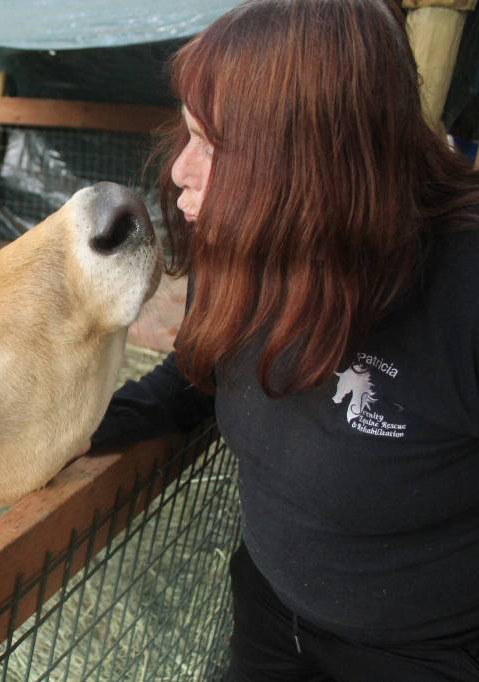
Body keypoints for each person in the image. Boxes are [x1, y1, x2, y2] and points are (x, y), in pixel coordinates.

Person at [92, 1, 479, 680]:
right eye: (187, 135)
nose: (181, 170)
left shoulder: (462, 289)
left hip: (423, 654)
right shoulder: (251, 250)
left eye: (212, 144)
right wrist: (83, 426)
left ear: (310, 162)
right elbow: (201, 368)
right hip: (270, 614)